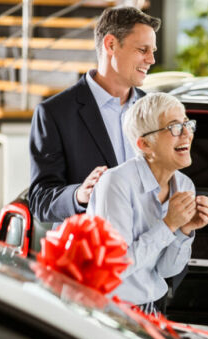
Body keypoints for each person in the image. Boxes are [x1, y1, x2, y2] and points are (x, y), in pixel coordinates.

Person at [29, 6, 160, 223]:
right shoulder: (54, 113)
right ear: (111, 44)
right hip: (89, 252)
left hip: (148, 249)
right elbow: (39, 200)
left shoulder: (153, 109)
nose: (151, 59)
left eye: (152, 51)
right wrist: (80, 194)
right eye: (142, 50)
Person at [87, 93, 208, 314]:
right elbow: (115, 267)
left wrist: (184, 230)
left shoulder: (184, 185)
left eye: (187, 124)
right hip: (109, 312)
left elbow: (166, 270)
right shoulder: (116, 183)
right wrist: (168, 225)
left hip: (151, 309)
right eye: (174, 127)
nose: (186, 133)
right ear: (144, 144)